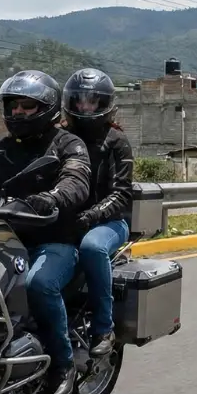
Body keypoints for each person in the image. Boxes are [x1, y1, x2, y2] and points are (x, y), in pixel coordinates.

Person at [0, 70, 92, 394]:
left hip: (55, 240)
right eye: (14, 106)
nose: (19, 112)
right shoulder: (2, 147)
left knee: (39, 284)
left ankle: (63, 365)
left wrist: (54, 197)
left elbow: (77, 180)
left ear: (48, 108)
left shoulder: (68, 143)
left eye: (27, 105)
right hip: (5, 238)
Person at [61, 67, 133, 359]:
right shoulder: (61, 137)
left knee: (92, 247)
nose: (85, 107)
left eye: (92, 101)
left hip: (110, 222)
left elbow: (122, 193)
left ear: (105, 103)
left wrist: (92, 216)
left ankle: (104, 327)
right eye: (79, 100)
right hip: (67, 219)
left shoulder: (116, 141)